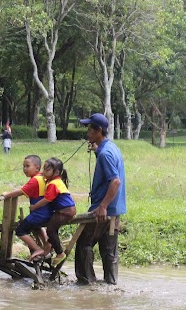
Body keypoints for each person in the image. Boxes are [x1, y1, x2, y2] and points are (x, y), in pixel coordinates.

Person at [75, 113, 126, 285]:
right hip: (116, 208)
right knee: (108, 249)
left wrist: (103, 206)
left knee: (84, 243)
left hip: (103, 209)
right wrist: (97, 150)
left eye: (90, 129)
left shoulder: (105, 154)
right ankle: (111, 284)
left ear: (99, 131)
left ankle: (87, 284)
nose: (87, 132)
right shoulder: (111, 148)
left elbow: (115, 181)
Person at [0, 155, 52, 261]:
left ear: (37, 168)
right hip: (47, 212)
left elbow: (20, 192)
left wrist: (6, 195)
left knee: (20, 230)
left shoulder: (34, 181)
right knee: (37, 226)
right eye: (23, 166)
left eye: (27, 166)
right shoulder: (42, 176)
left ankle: (37, 249)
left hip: (39, 214)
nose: (25, 169)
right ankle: (47, 244)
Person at [36, 157, 78, 266]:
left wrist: (34, 206)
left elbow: (47, 200)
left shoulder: (53, 184)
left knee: (50, 230)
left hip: (65, 211)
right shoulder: (54, 180)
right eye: (43, 169)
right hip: (64, 210)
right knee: (52, 228)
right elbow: (43, 175)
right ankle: (49, 247)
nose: (44, 172)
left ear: (57, 172)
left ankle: (60, 253)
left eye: (47, 170)